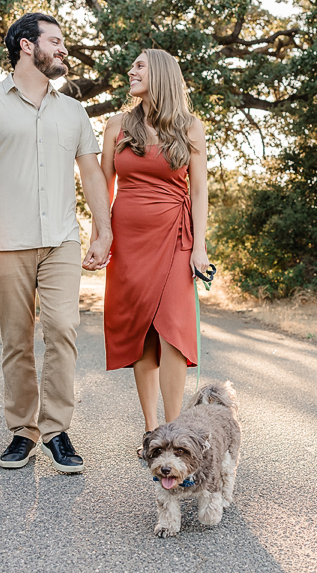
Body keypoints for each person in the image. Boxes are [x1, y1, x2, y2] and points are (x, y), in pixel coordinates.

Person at [0, 12, 112, 473]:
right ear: (25, 45)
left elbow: (92, 173)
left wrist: (104, 228)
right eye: (55, 41)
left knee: (62, 329)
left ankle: (57, 430)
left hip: (61, 240)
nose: (63, 49)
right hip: (5, 242)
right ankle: (23, 432)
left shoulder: (73, 111)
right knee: (16, 340)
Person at [100, 49, 210, 457]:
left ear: (161, 74)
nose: (131, 70)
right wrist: (102, 236)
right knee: (142, 335)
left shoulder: (190, 127)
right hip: (129, 242)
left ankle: (177, 432)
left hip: (175, 238)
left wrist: (199, 247)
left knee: (174, 335)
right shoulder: (116, 125)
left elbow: (198, 191)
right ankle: (152, 433)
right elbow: (102, 187)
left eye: (140, 65)